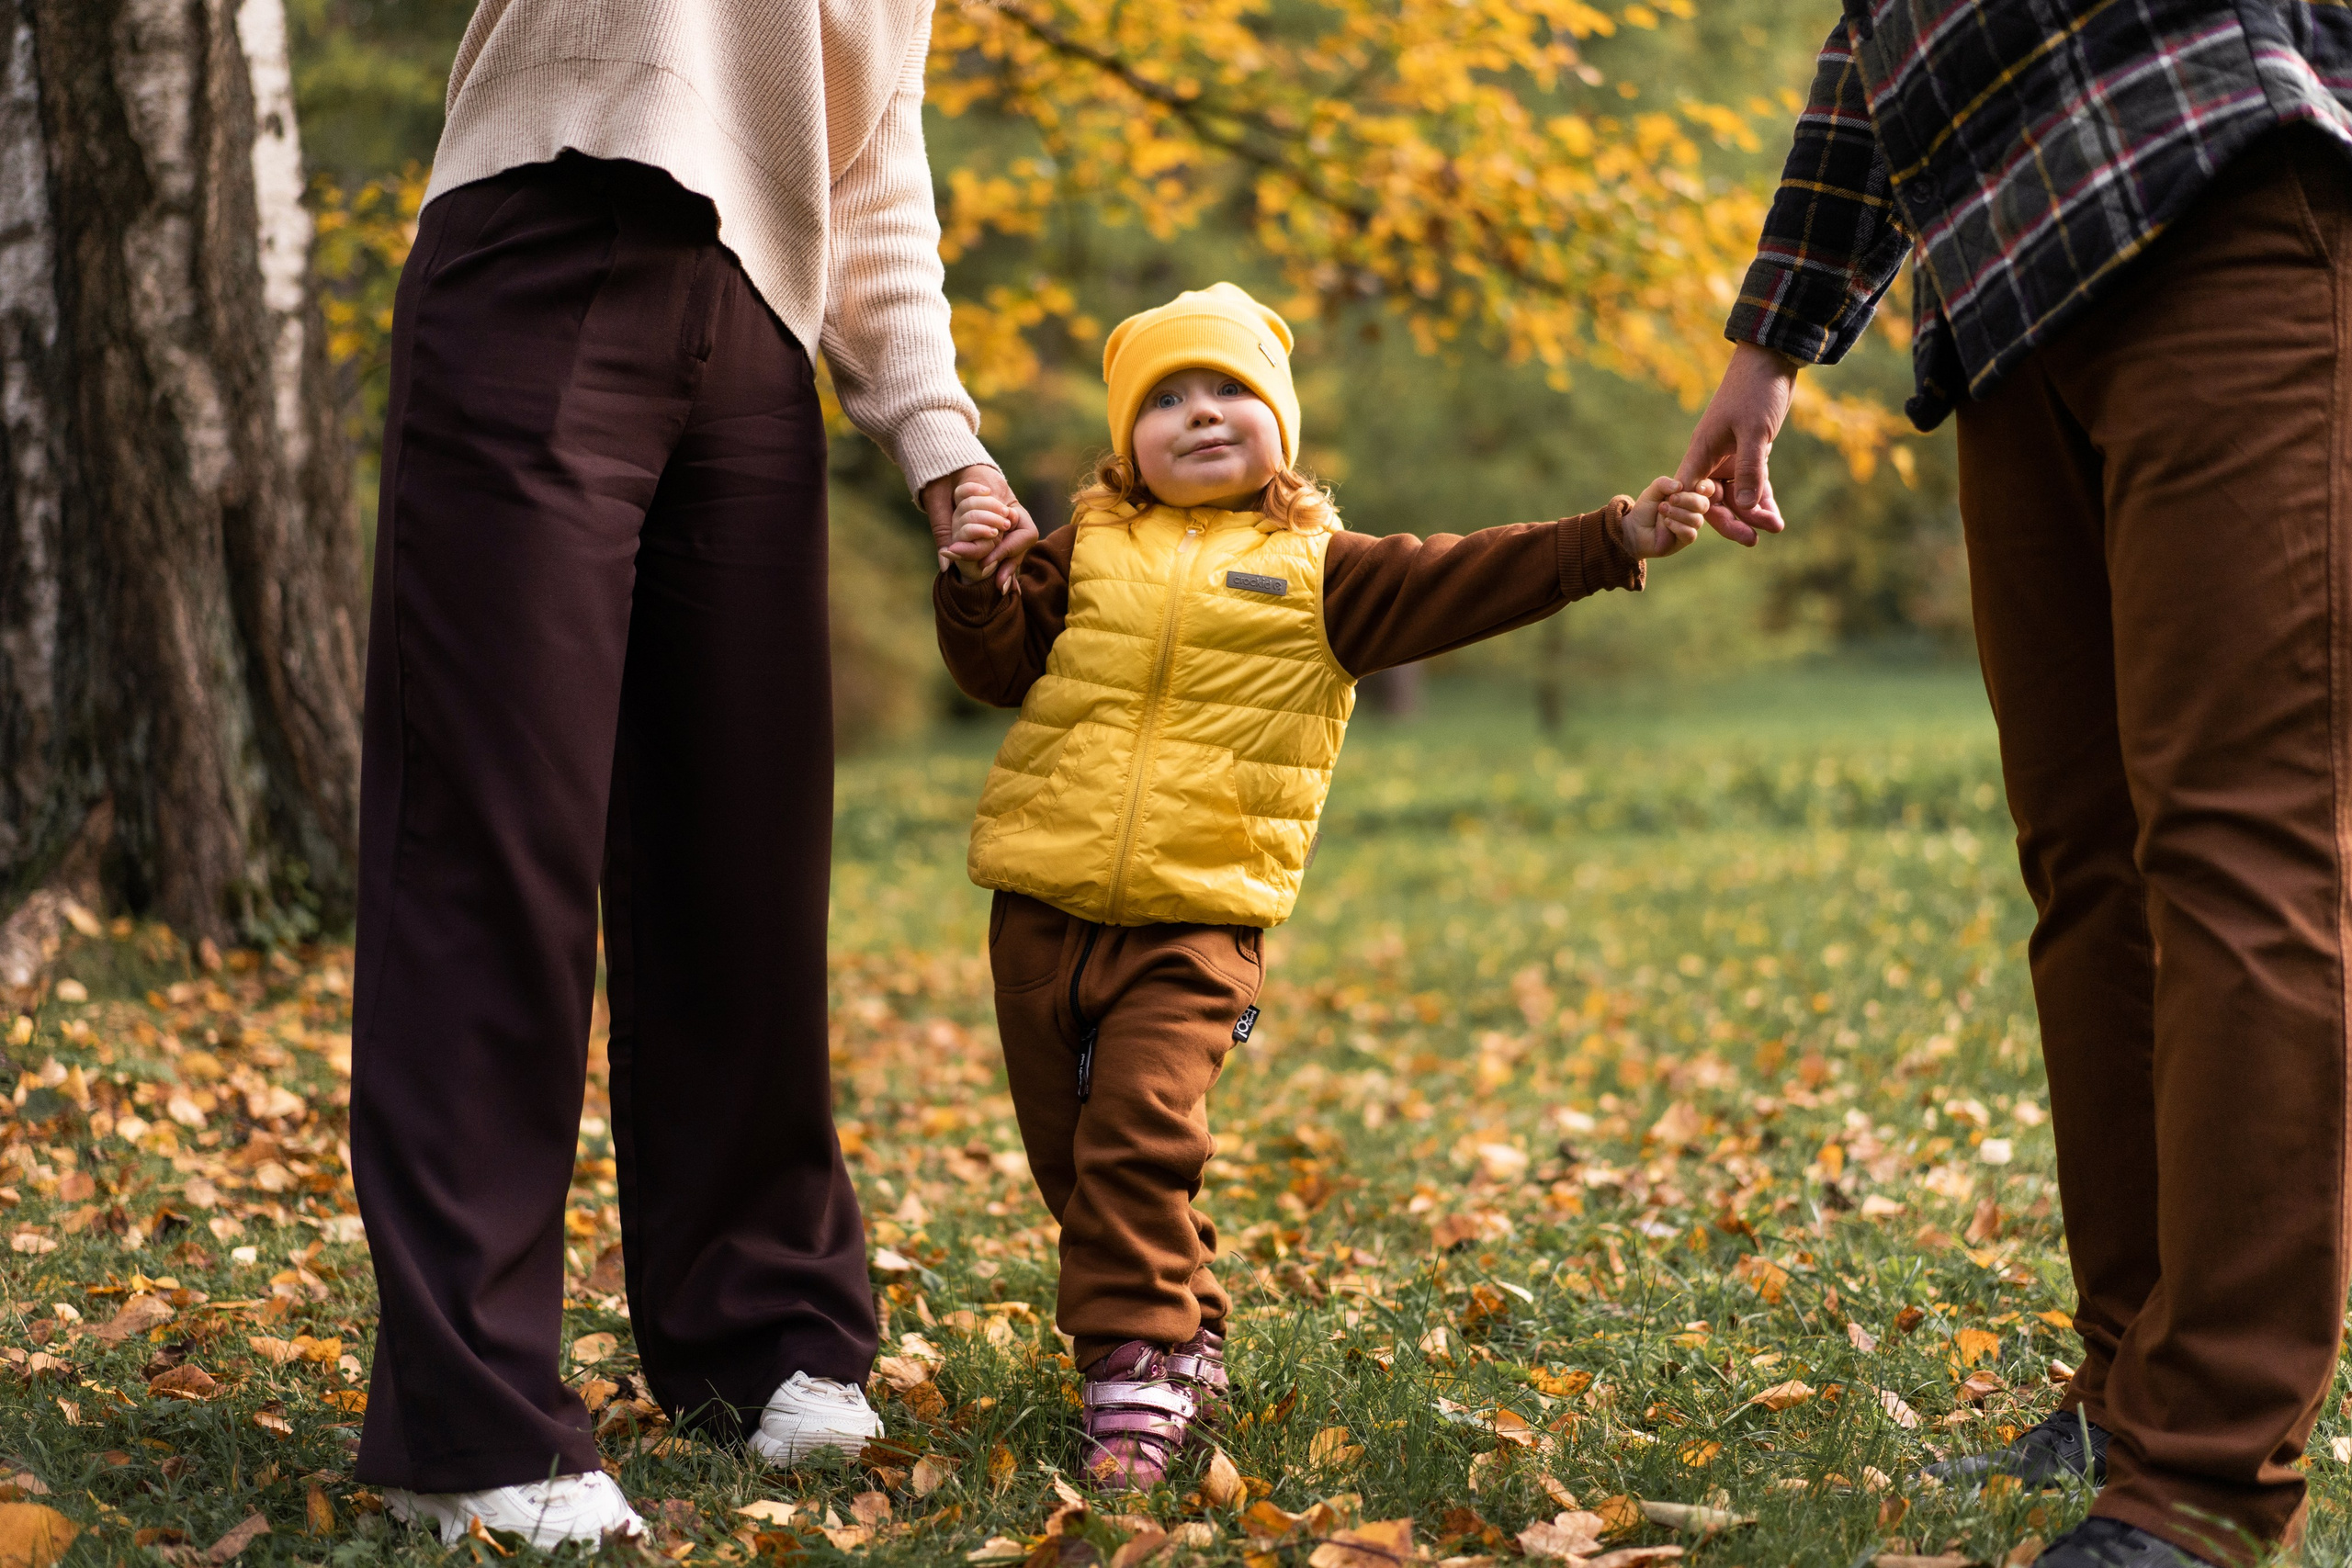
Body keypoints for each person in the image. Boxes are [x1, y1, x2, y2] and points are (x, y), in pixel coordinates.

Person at [346, 1, 1030, 1547]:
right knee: (492, 851)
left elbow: (871, 160)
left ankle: (761, 1335)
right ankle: (469, 1422)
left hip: (758, 332)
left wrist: (945, 445)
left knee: (742, 865)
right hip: (544, 231)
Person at [1679, 8, 2352, 1567]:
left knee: (2241, 850)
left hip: (2229, 181)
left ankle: (2201, 1482)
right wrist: (1768, 345)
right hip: (2004, 294)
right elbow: (1877, 51)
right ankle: (2128, 1388)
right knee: (2090, 871)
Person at [933, 282, 1706, 1488]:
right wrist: (979, 585)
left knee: (1140, 1132)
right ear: (1127, 437)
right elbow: (993, 668)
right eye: (1169, 398)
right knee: (1074, 1164)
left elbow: (1475, 573)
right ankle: (1186, 1333)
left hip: (1199, 916)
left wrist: (1612, 539)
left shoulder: (1323, 573)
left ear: (1279, 423)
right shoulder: (1082, 550)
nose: (1200, 414)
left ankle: (1129, 1373)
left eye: (1230, 390)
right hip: (1038, 903)